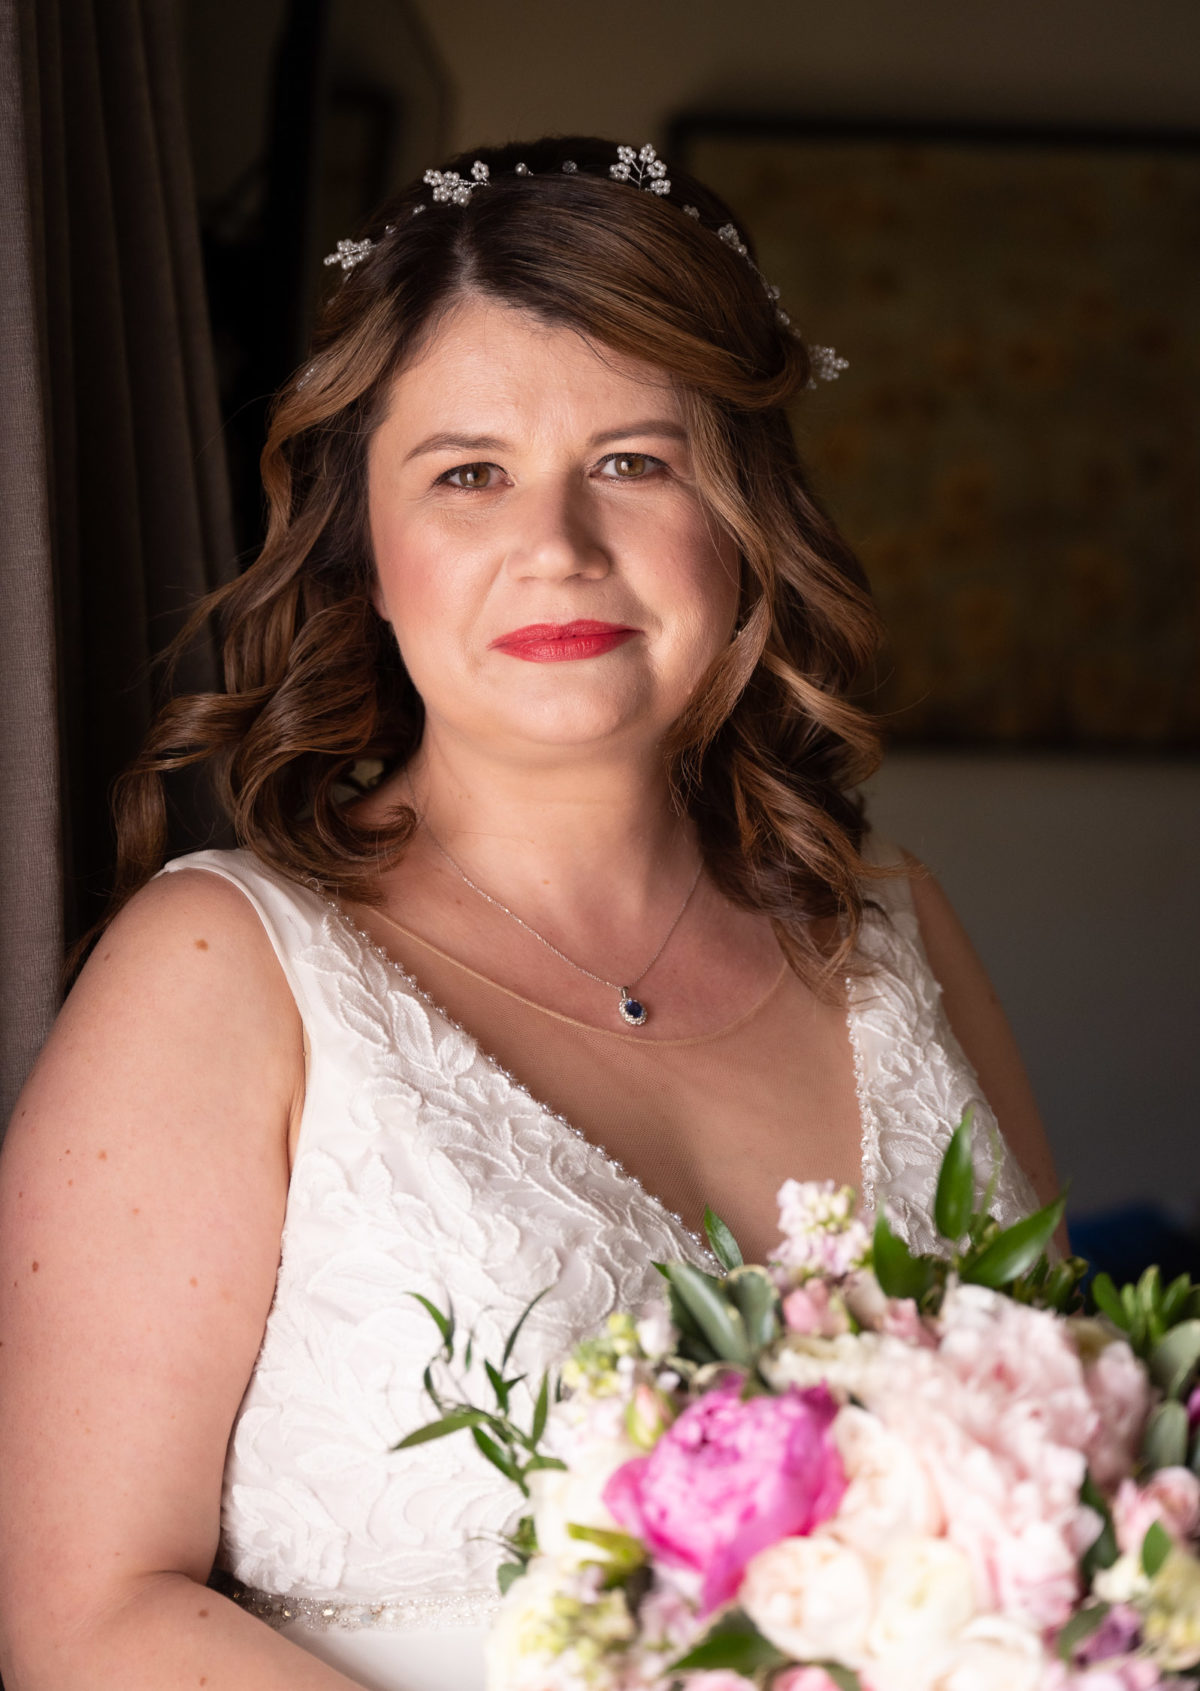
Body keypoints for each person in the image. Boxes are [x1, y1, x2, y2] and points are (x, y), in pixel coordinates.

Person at [0, 136, 1060, 1691]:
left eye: (635, 462)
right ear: (367, 545)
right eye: (469, 473)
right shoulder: (222, 973)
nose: (556, 547)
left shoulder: (896, 931)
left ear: (743, 517)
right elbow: (81, 1620)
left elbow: (1077, 1473)